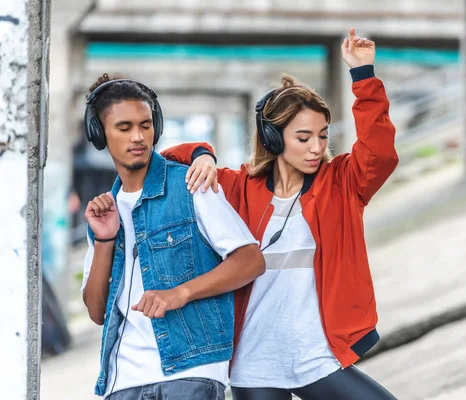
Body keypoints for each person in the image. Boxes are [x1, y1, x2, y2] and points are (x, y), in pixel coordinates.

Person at [162, 28, 398, 399]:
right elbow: (165, 163)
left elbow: (380, 152)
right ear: (273, 138)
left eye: (322, 135)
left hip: (317, 354)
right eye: (303, 138)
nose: (317, 147)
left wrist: (363, 75)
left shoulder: (342, 182)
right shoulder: (236, 187)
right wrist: (200, 154)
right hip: (254, 363)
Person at [81, 74, 265, 400]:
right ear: (99, 134)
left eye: (146, 125)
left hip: (190, 372)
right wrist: (105, 240)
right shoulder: (104, 211)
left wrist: (181, 293)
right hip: (122, 381)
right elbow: (98, 312)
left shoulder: (190, 186)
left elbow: (250, 260)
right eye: (124, 128)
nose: (138, 137)